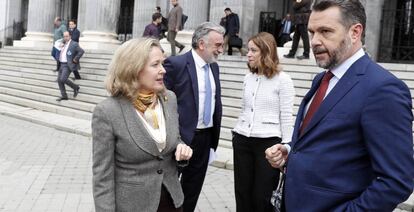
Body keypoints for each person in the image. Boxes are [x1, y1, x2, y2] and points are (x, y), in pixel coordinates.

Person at [265, 0, 414, 211]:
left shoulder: (383, 89)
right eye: (311, 32)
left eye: (325, 31)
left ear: (355, 32)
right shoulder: (322, 79)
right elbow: (328, 141)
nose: (315, 41)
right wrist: (290, 151)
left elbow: (396, 180)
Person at [92, 38, 193, 211]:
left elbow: (174, 140)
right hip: (133, 206)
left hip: (172, 202)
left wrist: (181, 149)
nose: (163, 70)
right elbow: (103, 177)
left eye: (163, 63)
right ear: (133, 69)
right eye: (155, 64)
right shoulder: (107, 112)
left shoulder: (169, 99)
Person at [163, 22, 224, 212]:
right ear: (202, 44)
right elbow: (163, 102)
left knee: (192, 190)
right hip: (179, 139)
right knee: (167, 189)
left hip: (205, 139)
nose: (221, 50)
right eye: (218, 45)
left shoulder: (214, 68)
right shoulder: (176, 64)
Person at [232, 32, 295, 212]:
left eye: (253, 50)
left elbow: (286, 116)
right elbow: (244, 109)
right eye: (248, 50)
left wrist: (286, 148)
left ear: (266, 52)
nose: (248, 54)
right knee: (242, 193)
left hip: (268, 144)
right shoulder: (247, 78)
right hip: (242, 140)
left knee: (263, 196)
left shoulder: (283, 80)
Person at [56, 31, 82, 101]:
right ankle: (64, 96)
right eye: (64, 36)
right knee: (59, 80)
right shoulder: (63, 44)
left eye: (66, 36)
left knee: (63, 79)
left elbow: (81, 51)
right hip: (61, 64)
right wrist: (59, 48)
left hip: (68, 65)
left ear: (70, 36)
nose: (65, 38)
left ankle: (75, 87)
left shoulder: (74, 44)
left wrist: (75, 59)